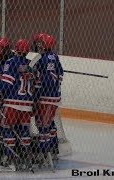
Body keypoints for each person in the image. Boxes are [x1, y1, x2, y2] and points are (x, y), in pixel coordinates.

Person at [0, 39, 37, 171]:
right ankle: (26, 159)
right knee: (24, 132)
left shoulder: (11, 62)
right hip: (27, 104)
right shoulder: (31, 64)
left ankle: (8, 160)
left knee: (7, 129)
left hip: (12, 103)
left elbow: (7, 83)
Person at [33, 34, 63, 165]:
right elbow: (61, 73)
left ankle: (45, 154)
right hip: (52, 97)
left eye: (42, 43)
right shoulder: (53, 56)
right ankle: (53, 148)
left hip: (47, 98)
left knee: (43, 125)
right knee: (48, 124)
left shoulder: (45, 59)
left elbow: (46, 80)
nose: (39, 45)